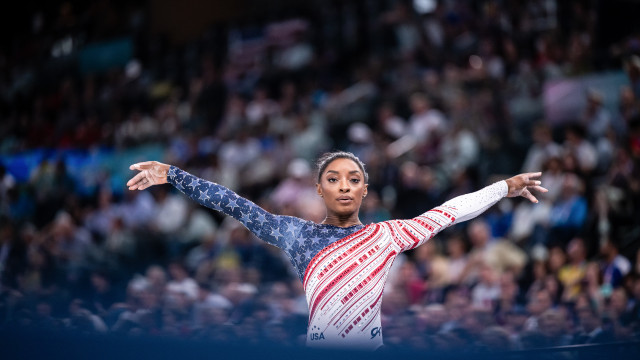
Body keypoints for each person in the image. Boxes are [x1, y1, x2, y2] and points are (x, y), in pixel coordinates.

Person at [126, 151, 547, 351]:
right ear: (319, 189)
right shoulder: (296, 235)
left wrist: (504, 187)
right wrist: (173, 175)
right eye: (333, 179)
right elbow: (234, 204)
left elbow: (450, 211)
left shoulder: (388, 235)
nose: (343, 185)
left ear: (364, 189)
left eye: (352, 179)